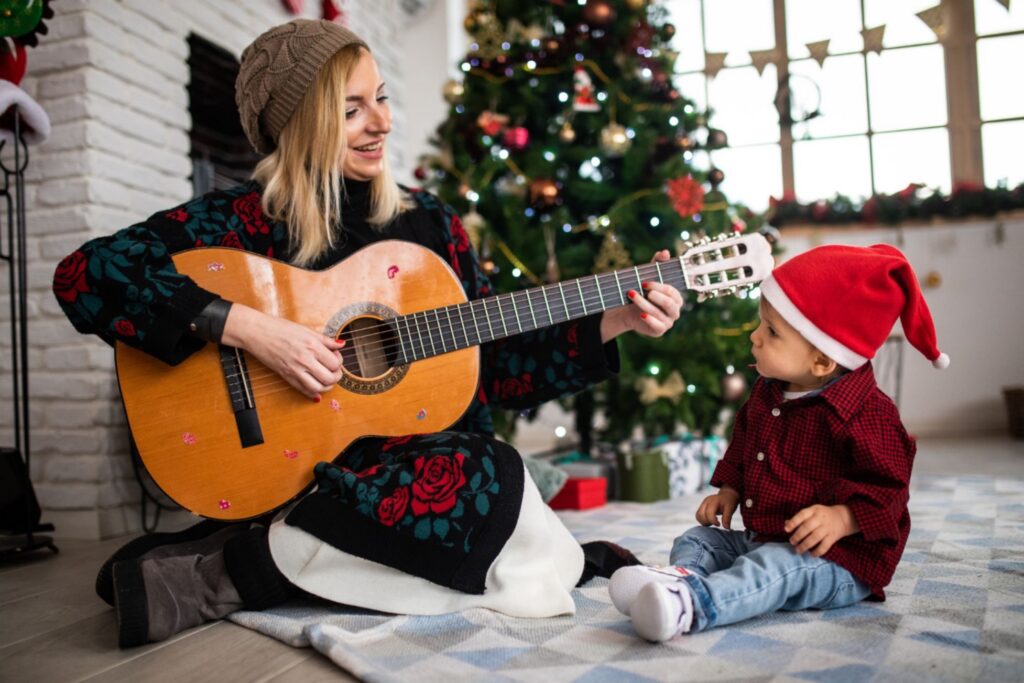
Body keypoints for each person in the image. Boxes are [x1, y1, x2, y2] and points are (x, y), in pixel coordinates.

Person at [51, 19, 684, 648]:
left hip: (403, 474)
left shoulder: (430, 222)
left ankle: (226, 572)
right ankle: (269, 555)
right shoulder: (239, 222)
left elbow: (493, 364)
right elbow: (85, 275)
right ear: (297, 120)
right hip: (287, 472)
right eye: (351, 109)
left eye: (379, 98)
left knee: (491, 472)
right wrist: (252, 329)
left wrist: (617, 317)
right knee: (509, 512)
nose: (380, 122)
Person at [608, 243, 949, 642]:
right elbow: (745, 443)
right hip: (765, 533)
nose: (754, 337)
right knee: (698, 539)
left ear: (822, 360)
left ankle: (694, 606)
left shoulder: (868, 414)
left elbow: (890, 492)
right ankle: (680, 580)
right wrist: (731, 488)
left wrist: (844, 518)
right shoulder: (768, 392)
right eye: (761, 323)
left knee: (773, 568)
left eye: (771, 331)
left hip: (837, 561)